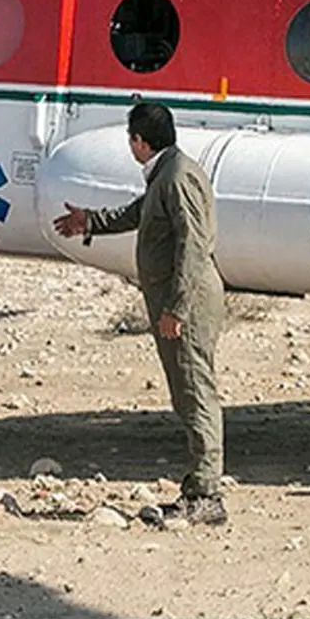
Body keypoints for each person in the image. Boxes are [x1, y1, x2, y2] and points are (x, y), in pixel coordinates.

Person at [51, 101, 228, 526]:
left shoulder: (177, 176)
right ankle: (201, 486)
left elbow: (192, 243)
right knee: (188, 389)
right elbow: (141, 213)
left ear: (139, 141)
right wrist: (90, 222)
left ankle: (208, 493)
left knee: (195, 390)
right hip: (176, 299)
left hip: (185, 301)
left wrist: (176, 307)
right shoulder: (168, 174)